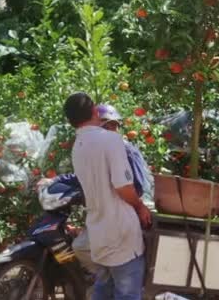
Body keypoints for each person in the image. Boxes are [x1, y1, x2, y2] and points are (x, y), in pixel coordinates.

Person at [63, 92, 151, 300]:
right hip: (120, 234)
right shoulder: (110, 140)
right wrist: (140, 207)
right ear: (95, 111)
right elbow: (122, 186)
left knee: (103, 289)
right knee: (127, 294)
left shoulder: (78, 146)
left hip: (99, 233)